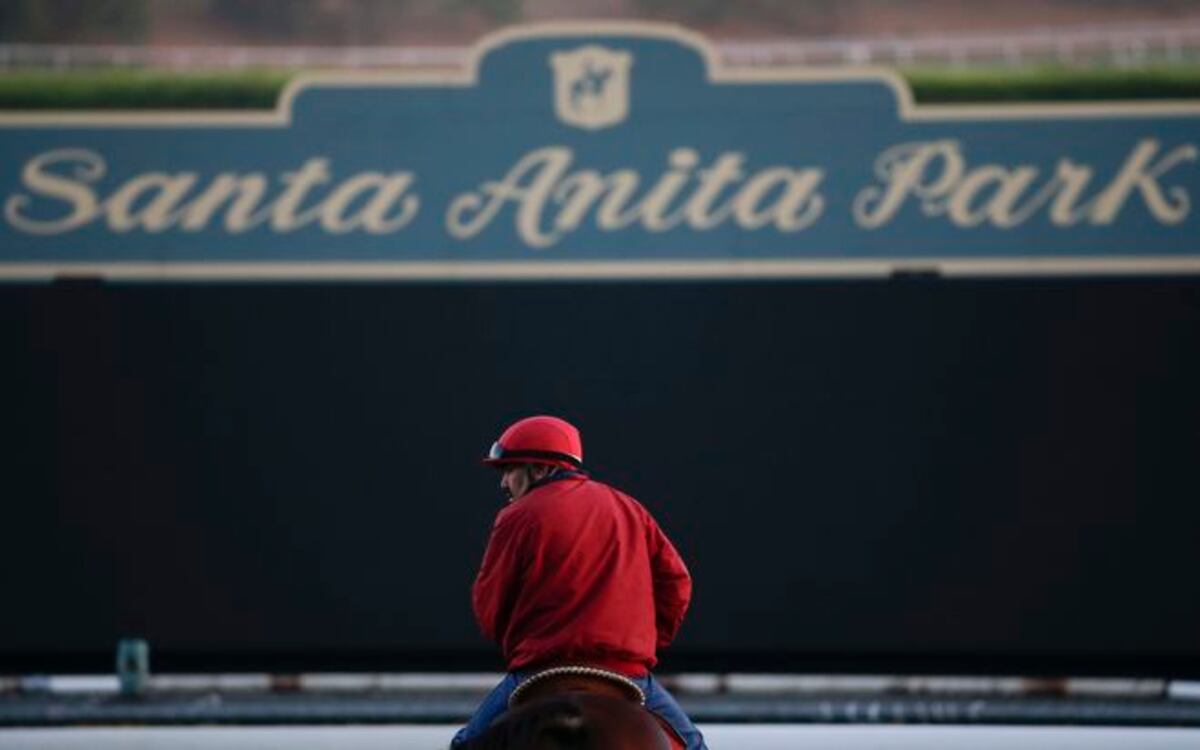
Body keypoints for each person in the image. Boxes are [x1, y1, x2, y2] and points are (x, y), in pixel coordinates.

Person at [451, 415, 706, 750]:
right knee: (695, 745)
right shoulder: (630, 508)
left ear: (539, 469)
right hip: (625, 671)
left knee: (464, 746)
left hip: (538, 670)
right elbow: (676, 585)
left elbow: (490, 605)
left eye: (509, 470)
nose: (504, 484)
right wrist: (641, 645)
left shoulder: (516, 517)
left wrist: (519, 644)